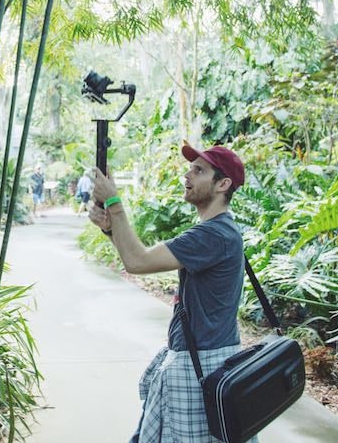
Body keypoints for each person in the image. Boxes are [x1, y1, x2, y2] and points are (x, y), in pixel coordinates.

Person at [88, 143, 257, 443]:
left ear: (223, 184)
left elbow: (137, 261)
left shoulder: (212, 235)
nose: (187, 175)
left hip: (201, 365)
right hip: (203, 358)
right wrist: (110, 230)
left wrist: (114, 202)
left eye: (199, 170)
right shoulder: (220, 231)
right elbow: (139, 257)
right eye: (190, 168)